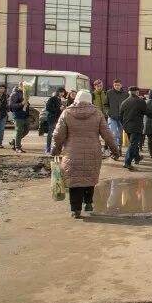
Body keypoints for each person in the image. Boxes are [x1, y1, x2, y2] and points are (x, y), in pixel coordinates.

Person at [51, 89, 120, 219]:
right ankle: (88, 203)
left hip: (72, 153)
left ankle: (75, 210)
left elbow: (58, 135)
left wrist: (56, 150)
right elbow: (108, 135)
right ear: (90, 100)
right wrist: (115, 150)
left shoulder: (66, 113)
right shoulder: (97, 114)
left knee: (74, 181)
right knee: (89, 178)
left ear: (76, 99)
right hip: (93, 152)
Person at [119, 86, 151, 171]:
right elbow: (147, 112)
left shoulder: (124, 102)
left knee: (133, 143)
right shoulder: (140, 101)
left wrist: (124, 125)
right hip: (136, 127)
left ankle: (137, 157)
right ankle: (127, 162)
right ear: (137, 92)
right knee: (133, 144)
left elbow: (120, 116)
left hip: (127, 127)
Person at [7, 81, 30, 153]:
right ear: (19, 86)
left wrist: (27, 104)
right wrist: (21, 104)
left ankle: (14, 141)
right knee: (19, 131)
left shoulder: (25, 94)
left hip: (25, 115)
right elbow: (11, 105)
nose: (25, 87)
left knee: (26, 130)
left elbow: (26, 104)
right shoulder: (15, 94)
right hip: (18, 115)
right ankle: (17, 147)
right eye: (23, 86)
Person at [106, 79, 128, 148]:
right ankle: (114, 149)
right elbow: (106, 104)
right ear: (113, 85)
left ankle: (119, 148)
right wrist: (108, 112)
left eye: (118, 85)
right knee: (113, 134)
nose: (117, 86)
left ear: (121, 85)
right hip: (112, 117)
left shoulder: (126, 94)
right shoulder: (109, 93)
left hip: (122, 118)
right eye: (115, 85)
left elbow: (127, 106)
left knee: (120, 135)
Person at [44, 88, 67, 154]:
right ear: (57, 92)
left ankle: (56, 148)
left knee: (59, 134)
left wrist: (64, 108)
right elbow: (48, 108)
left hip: (60, 118)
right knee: (51, 133)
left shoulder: (63, 99)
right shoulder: (52, 98)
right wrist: (58, 109)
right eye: (60, 92)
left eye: (63, 92)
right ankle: (48, 148)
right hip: (52, 118)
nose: (62, 94)